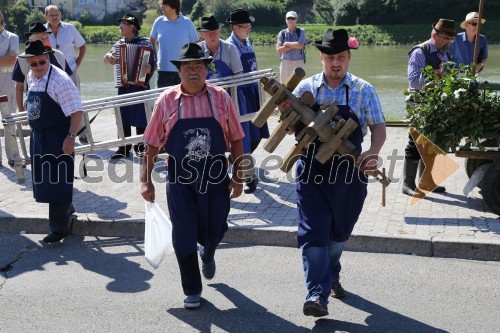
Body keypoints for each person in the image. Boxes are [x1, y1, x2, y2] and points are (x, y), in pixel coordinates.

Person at [279, 28, 386, 317]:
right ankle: (317, 293)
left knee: (338, 234)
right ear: (322, 58)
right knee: (314, 232)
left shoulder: (364, 90)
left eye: (340, 57)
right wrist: (287, 117)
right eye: (330, 58)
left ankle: (331, 272)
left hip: (350, 173)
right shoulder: (308, 90)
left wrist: (373, 152)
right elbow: (290, 128)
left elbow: (378, 127)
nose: (335, 63)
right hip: (312, 168)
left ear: (348, 58)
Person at [141, 43, 245, 309]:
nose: (194, 72)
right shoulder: (166, 101)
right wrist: (145, 180)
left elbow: (236, 139)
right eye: (188, 67)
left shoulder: (222, 97)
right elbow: (151, 143)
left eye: (199, 66)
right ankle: (192, 289)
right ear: (179, 72)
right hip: (180, 178)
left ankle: (208, 251)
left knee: (217, 228)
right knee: (184, 234)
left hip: (215, 175)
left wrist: (239, 176)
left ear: (207, 70)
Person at [19, 40, 83, 243]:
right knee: (46, 180)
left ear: (48, 58)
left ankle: (59, 229)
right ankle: (67, 210)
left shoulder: (60, 80)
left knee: (57, 180)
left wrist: (70, 137)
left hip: (58, 136)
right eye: (34, 63)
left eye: (41, 62)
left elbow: (76, 111)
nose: (38, 67)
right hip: (39, 136)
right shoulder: (31, 75)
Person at [403, 19, 454, 196]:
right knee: (416, 143)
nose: (449, 42)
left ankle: (426, 182)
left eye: (451, 39)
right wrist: (436, 83)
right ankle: (407, 184)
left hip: (436, 103)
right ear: (435, 35)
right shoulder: (420, 52)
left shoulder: (445, 53)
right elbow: (414, 81)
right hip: (418, 102)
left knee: (433, 141)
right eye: (446, 38)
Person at [226, 9, 269, 193]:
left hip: (254, 91)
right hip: (240, 94)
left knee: (258, 132)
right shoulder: (229, 46)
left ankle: (234, 160)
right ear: (235, 28)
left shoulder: (247, 41)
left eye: (250, 26)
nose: (249, 29)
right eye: (246, 27)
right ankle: (246, 172)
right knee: (245, 135)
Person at [103, 13, 156, 159]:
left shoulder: (146, 44)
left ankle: (140, 147)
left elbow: (154, 63)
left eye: (123, 24)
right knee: (122, 117)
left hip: (140, 86)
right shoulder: (119, 44)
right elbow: (106, 57)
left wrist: (150, 68)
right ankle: (123, 148)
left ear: (132, 27)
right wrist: (108, 57)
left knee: (141, 118)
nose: (120, 26)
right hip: (123, 85)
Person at [44, 5, 88, 143]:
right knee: (54, 103)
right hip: (51, 73)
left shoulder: (70, 28)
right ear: (46, 17)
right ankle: (61, 131)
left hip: (70, 71)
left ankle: (82, 132)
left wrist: (77, 65)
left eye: (57, 14)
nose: (55, 17)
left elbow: (82, 46)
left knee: (76, 101)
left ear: (61, 15)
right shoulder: (42, 32)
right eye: (51, 15)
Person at [13, 21, 73, 115]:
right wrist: (21, 111)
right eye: (41, 39)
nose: (45, 41)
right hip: (35, 106)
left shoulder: (59, 55)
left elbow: (71, 81)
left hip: (61, 104)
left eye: (46, 38)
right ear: (31, 40)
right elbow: (19, 88)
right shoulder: (21, 59)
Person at [149, 0, 198, 88]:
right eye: (162, 4)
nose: (162, 7)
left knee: (184, 100)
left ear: (174, 6)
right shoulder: (158, 22)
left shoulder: (187, 22)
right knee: (165, 101)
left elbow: (195, 44)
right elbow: (152, 40)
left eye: (165, 4)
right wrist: (156, 58)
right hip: (163, 70)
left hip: (183, 70)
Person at [0, 11, 19, 168]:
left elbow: (12, 60)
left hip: (7, 79)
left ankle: (13, 156)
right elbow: (6, 59)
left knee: (9, 118)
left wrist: (7, 59)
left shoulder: (12, 37)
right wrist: (4, 59)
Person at [276, 10, 306, 84]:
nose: (290, 20)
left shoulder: (301, 31)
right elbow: (278, 50)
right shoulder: (282, 33)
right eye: (288, 18)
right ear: (286, 20)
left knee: (300, 85)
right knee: (284, 85)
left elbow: (300, 45)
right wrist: (294, 46)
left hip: (299, 62)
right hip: (285, 63)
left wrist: (286, 44)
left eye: (292, 18)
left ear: (296, 19)